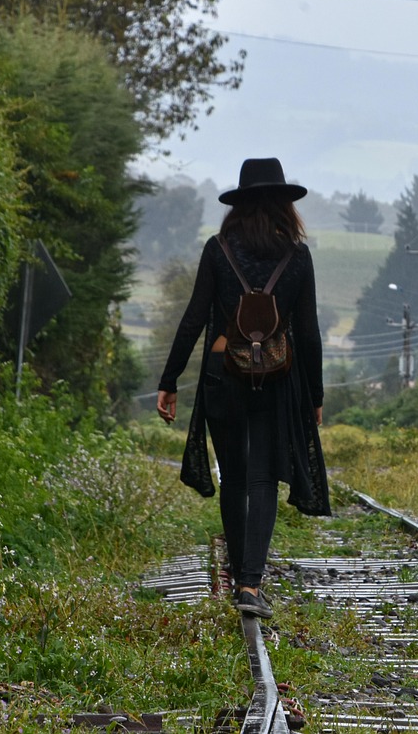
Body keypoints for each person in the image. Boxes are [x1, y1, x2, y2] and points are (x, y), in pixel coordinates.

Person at [156, 157, 329, 620]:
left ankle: (239, 578)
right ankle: (251, 584)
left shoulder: (218, 250)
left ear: (239, 206)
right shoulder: (297, 256)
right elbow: (308, 333)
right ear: (284, 205)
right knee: (263, 477)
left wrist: (169, 380)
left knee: (233, 476)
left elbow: (194, 318)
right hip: (278, 377)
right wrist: (315, 396)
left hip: (222, 373)